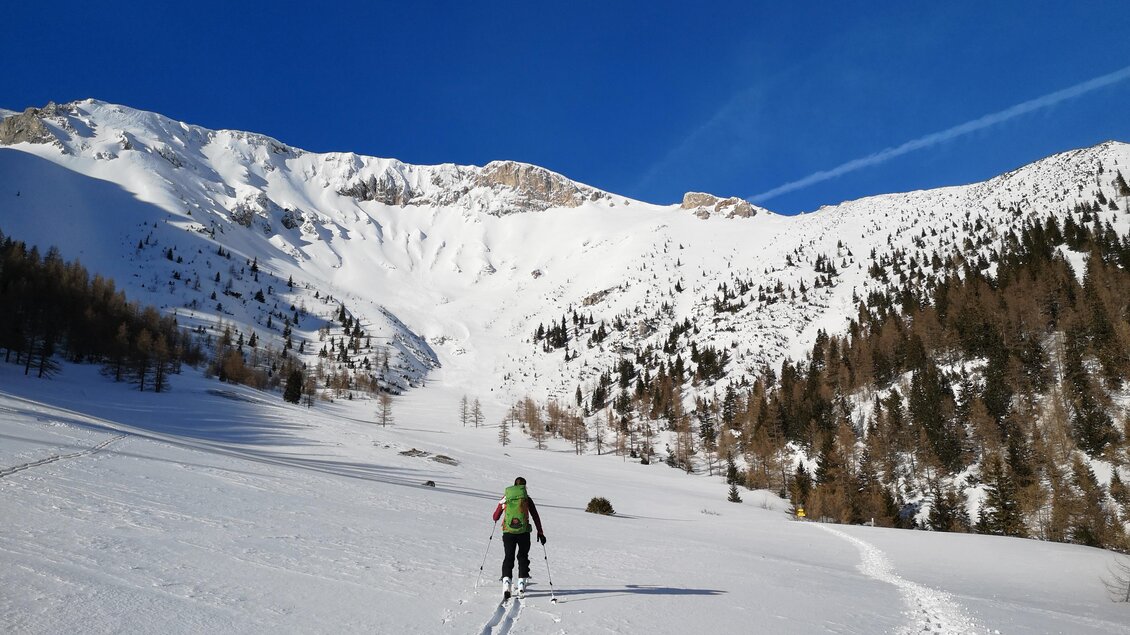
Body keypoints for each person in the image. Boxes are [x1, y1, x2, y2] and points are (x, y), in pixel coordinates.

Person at [492, 476, 546, 597]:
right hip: (524, 533)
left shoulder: (506, 498)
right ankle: (521, 583)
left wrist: (501, 508)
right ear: (524, 487)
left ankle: (506, 583)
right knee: (522, 556)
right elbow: (535, 516)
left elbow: (495, 517)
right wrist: (540, 532)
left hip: (508, 532)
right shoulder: (527, 499)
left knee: (508, 556)